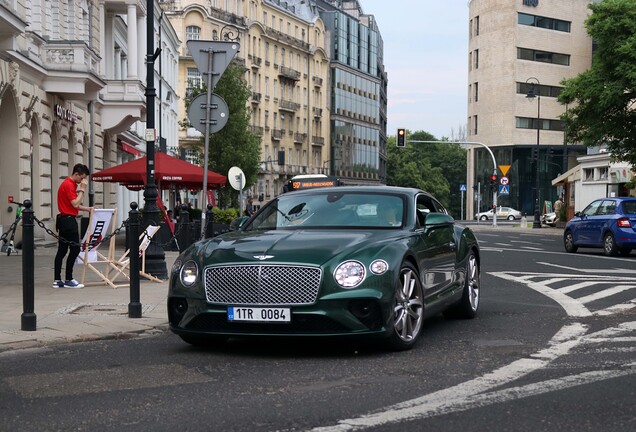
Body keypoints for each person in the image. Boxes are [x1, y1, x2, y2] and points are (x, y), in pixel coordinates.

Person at [53, 163, 93, 289]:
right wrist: (82, 189)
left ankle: (57, 279)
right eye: (82, 178)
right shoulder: (69, 185)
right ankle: (68, 278)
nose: (83, 181)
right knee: (75, 249)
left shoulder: (68, 184)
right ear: (76, 174)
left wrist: (87, 209)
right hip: (69, 221)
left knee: (62, 250)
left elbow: (72, 205)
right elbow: (75, 204)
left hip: (63, 219)